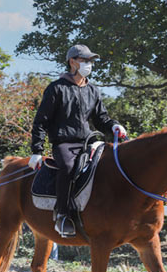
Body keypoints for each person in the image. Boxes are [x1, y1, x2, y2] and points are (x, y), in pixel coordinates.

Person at [28, 45, 127, 238]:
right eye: (85, 61)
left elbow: (101, 118)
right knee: (68, 168)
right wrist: (36, 151)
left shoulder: (93, 90)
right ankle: (63, 214)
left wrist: (114, 125)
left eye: (90, 61)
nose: (89, 65)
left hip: (88, 142)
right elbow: (41, 121)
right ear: (72, 62)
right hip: (64, 144)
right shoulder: (56, 89)